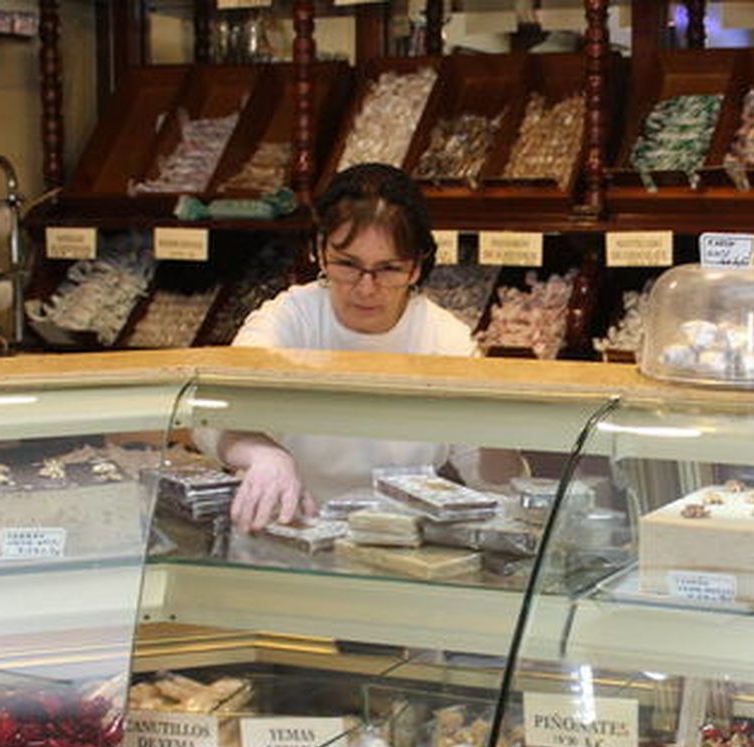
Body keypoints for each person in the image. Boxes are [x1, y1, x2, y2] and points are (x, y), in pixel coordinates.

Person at [207, 163, 522, 531]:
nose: (366, 288)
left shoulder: (446, 341)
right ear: (320, 252)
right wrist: (262, 454)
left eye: (388, 269)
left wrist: (500, 427)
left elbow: (497, 482)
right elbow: (207, 415)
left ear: (416, 267)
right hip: (282, 531)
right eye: (347, 265)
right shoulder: (290, 318)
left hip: (399, 545)